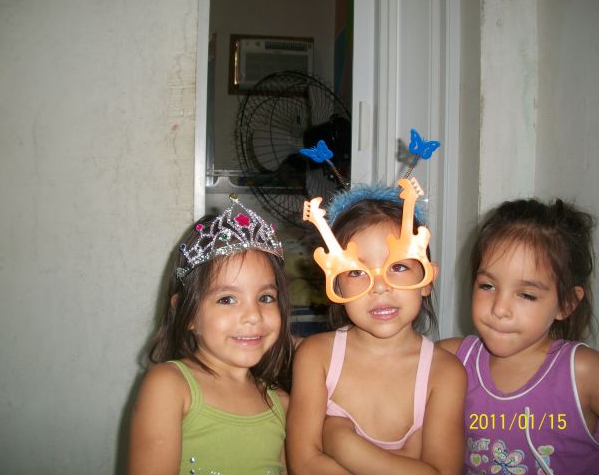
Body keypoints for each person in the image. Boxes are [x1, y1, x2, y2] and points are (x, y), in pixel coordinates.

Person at [287, 179, 467, 474]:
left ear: (427, 279)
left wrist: (344, 444)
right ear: (336, 286)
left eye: (398, 266)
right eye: (356, 272)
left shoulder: (445, 374)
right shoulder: (315, 357)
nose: (380, 287)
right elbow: (304, 465)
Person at [128, 194, 294, 475]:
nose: (253, 315)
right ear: (188, 313)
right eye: (227, 299)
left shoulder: (282, 404)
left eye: (266, 297)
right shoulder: (170, 386)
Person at [439, 198, 599, 474]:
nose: (500, 309)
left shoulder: (584, 373)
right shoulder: (452, 359)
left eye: (526, 294)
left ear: (567, 303)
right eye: (487, 286)